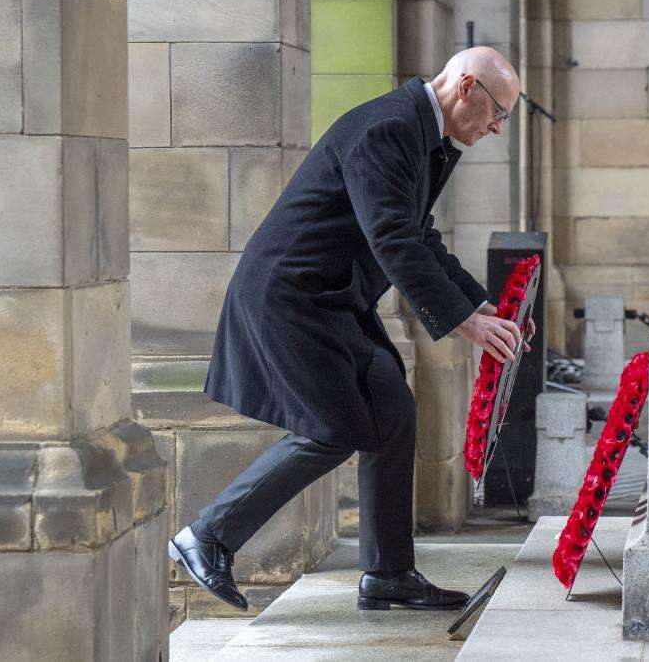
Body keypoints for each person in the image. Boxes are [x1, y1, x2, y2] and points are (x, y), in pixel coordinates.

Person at [168, 47, 531, 612]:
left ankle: (389, 573)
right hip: (292, 299)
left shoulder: (420, 133)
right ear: (466, 89)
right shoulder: (389, 128)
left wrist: (481, 307)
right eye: (497, 113)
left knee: (391, 411)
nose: (496, 128)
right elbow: (394, 240)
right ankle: (207, 536)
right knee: (334, 427)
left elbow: (420, 234)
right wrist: (463, 322)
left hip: (334, 301)